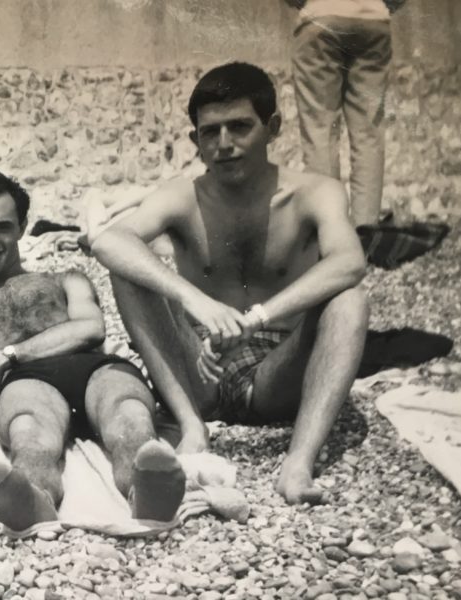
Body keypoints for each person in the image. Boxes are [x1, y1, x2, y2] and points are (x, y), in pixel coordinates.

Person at [90, 62, 369, 505]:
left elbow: (350, 262)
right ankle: (192, 428)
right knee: (126, 272)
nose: (224, 145)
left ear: (272, 127)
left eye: (240, 127)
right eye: (210, 132)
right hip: (200, 369)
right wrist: (195, 300)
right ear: (194, 140)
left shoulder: (315, 193)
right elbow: (107, 241)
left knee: (350, 300)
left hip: (279, 370)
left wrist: (259, 317)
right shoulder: (183, 195)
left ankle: (298, 462)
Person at [0, 168, 186, 531]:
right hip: (26, 384)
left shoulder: (65, 279)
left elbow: (91, 328)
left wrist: (8, 355)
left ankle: (146, 493)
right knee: (31, 433)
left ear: (22, 226)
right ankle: (35, 499)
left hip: (95, 368)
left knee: (129, 415)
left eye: (3, 227)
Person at [285, 0, 407, 226]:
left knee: (319, 129)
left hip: (320, 18)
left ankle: (328, 229)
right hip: (373, 22)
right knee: (369, 132)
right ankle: (365, 230)